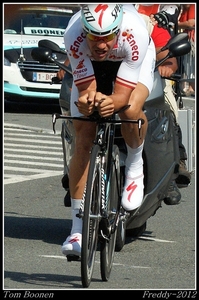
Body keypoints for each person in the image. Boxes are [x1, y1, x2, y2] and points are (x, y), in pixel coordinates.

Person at [60, 4, 156, 257]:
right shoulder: (73, 35)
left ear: (117, 30)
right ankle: (77, 231)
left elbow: (122, 96)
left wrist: (111, 103)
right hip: (92, 65)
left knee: (130, 110)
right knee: (83, 132)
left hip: (131, 57)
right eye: (94, 37)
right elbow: (86, 92)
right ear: (85, 31)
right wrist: (88, 102)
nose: (101, 44)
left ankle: (135, 168)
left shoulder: (134, 32)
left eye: (107, 37)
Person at [134, 4, 191, 204]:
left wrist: (167, 66)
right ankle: (75, 171)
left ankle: (173, 171)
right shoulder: (107, 23)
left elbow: (169, 55)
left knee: (169, 111)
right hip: (114, 83)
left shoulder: (152, 25)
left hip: (152, 79)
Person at [178, 4, 195, 97]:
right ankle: (189, 87)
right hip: (188, 37)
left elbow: (191, 23)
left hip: (192, 38)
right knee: (188, 64)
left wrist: (176, 25)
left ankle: (191, 87)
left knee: (191, 63)